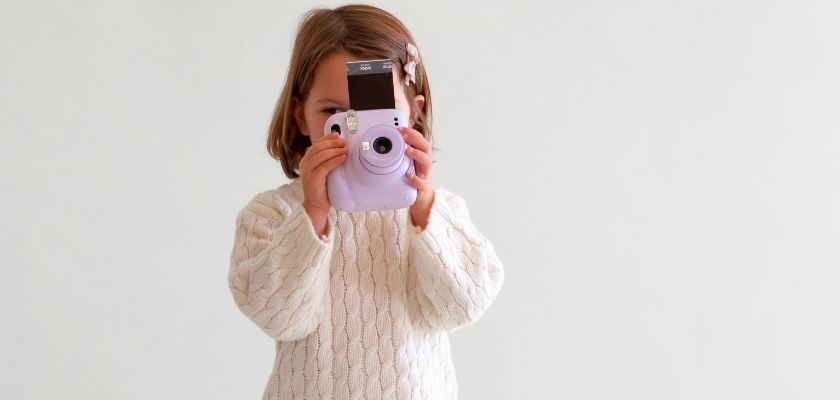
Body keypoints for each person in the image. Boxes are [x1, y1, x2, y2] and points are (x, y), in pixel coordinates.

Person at [228, 4, 505, 399]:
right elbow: (279, 317)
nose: (356, 131)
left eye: (379, 114)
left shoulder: (437, 211)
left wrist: (425, 208)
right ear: (302, 117)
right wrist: (314, 214)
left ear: (413, 114)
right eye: (334, 113)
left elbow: (463, 306)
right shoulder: (273, 215)